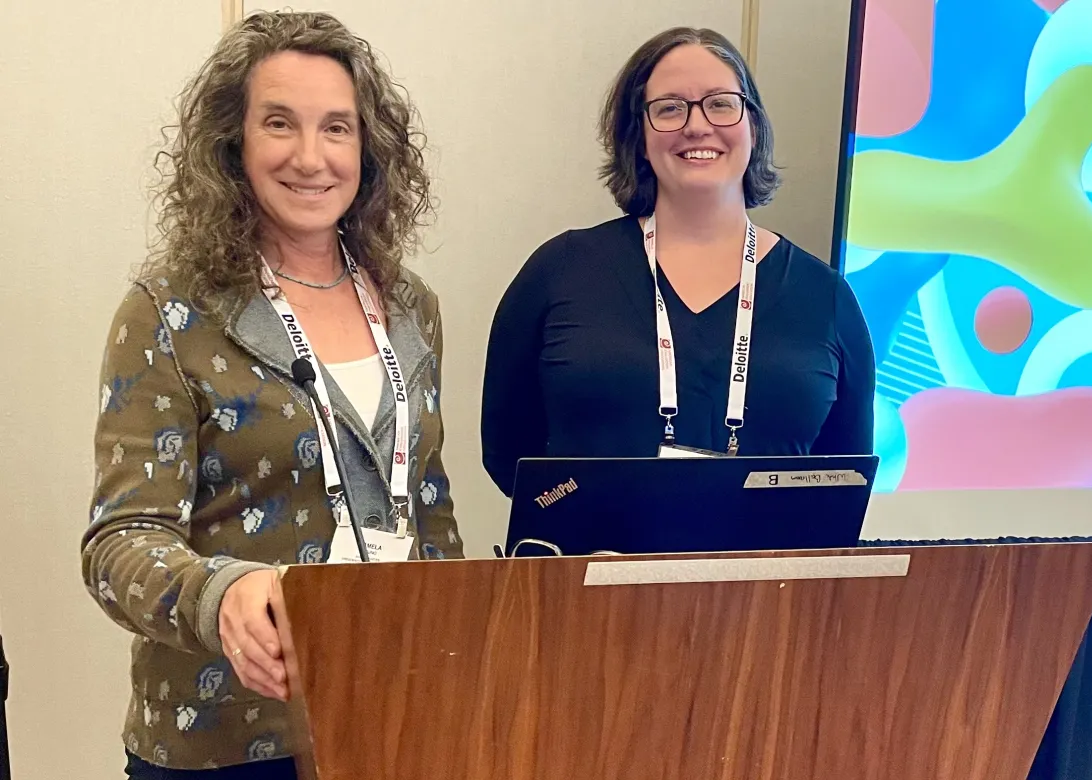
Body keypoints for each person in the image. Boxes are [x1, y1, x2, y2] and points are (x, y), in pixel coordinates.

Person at [81, 12, 464, 778]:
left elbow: (427, 506)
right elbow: (118, 542)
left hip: (391, 714)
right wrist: (220, 596)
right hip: (223, 738)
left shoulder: (411, 306)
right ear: (235, 144)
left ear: (369, 148)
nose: (311, 157)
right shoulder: (169, 310)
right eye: (279, 124)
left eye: (338, 128)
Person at [481, 27, 875, 494]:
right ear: (638, 136)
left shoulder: (824, 296)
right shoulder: (561, 272)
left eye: (720, 103)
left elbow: (843, 482)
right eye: (669, 108)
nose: (697, 125)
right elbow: (509, 456)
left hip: (764, 570)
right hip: (588, 564)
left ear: (753, 124)